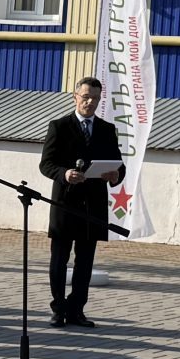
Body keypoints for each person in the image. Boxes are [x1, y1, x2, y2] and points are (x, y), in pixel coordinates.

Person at [37, 77, 122, 328]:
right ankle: (58, 309)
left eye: (95, 98)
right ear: (75, 97)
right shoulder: (59, 126)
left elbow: (118, 165)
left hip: (92, 205)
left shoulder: (106, 129)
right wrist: (64, 174)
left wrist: (115, 175)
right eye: (85, 97)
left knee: (85, 262)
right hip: (65, 203)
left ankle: (77, 310)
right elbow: (46, 164)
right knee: (59, 260)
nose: (90, 102)